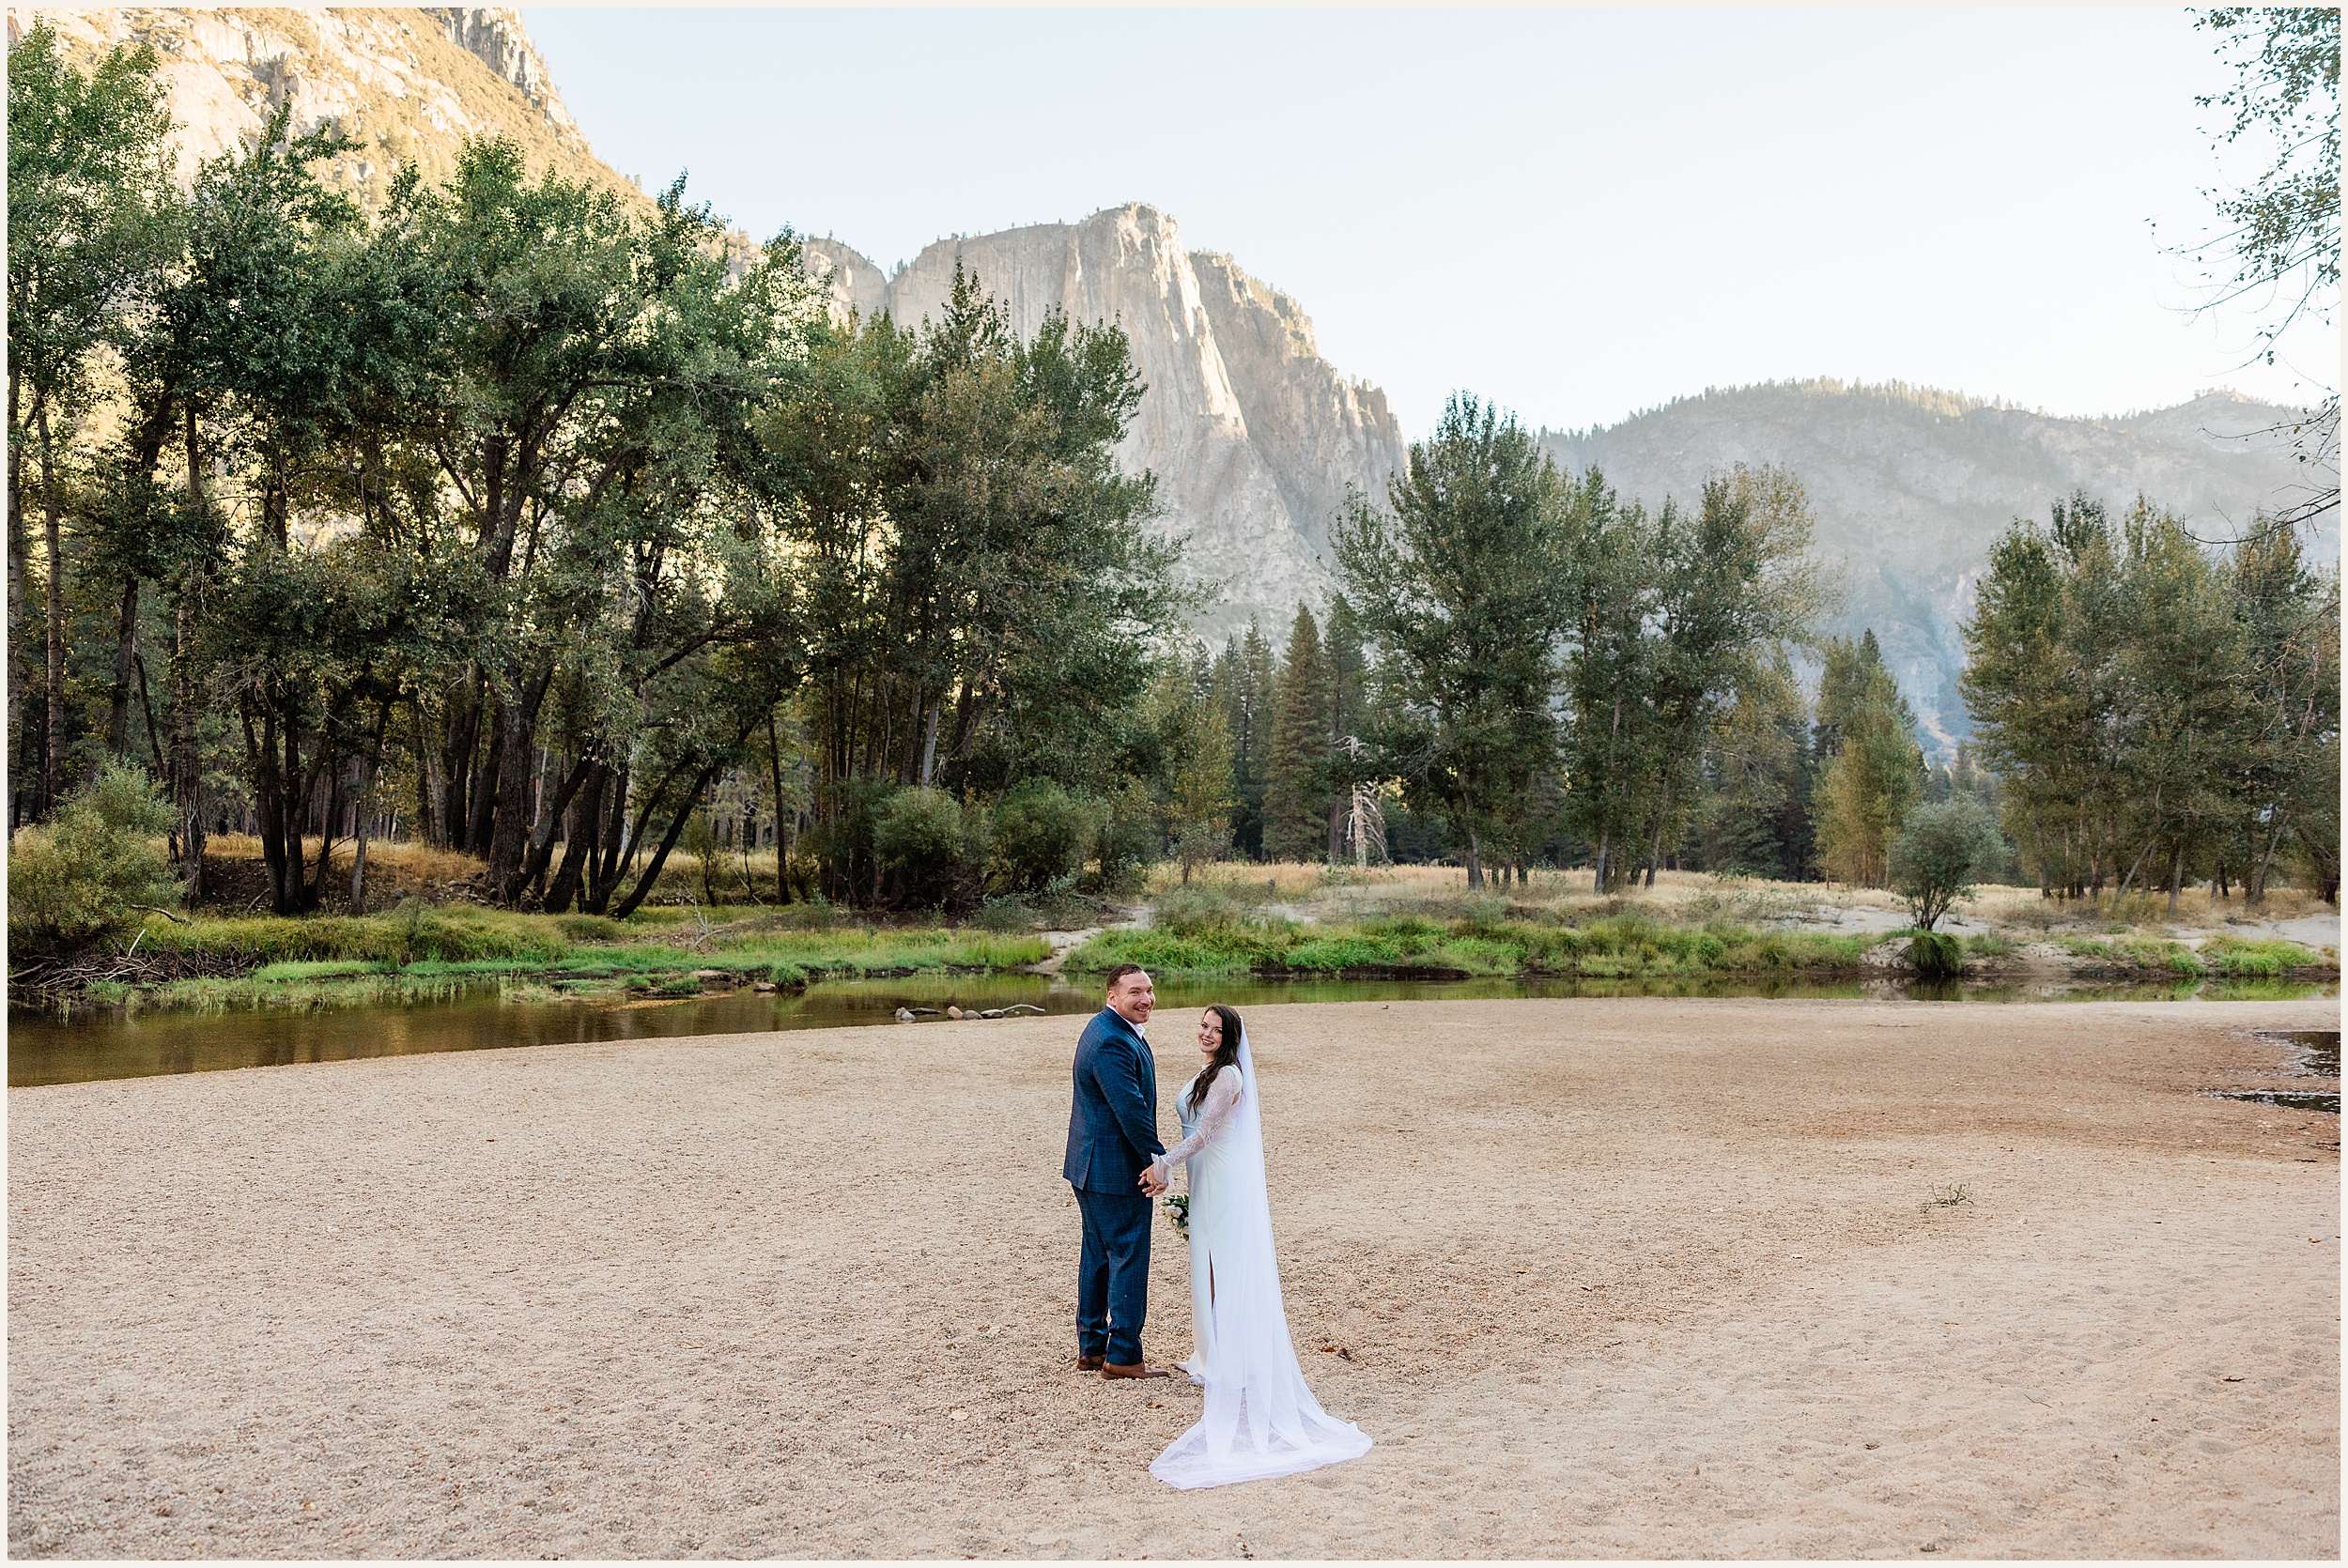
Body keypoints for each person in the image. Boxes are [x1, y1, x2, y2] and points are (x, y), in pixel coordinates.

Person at [1143, 1005, 1372, 1488]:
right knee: (1202, 1264)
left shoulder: (1227, 1076)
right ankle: (1208, 1354)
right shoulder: (1207, 1071)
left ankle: (1232, 1358)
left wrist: (1163, 1164)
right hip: (1203, 1178)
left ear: (1229, 1037)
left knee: (1226, 1264)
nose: (1205, 1033)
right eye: (1203, 1025)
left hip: (1222, 1175)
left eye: (1214, 1028)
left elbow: (1204, 1135)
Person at [1062, 963, 1173, 1379]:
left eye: (1148, 990)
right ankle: (1123, 1355)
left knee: (1098, 1254)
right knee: (1127, 1254)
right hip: (1111, 1169)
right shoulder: (1112, 1041)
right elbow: (1130, 1108)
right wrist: (1156, 1160)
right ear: (1113, 996)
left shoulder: (1107, 1028)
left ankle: (1092, 1348)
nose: (1145, 999)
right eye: (1134, 992)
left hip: (1090, 1166)